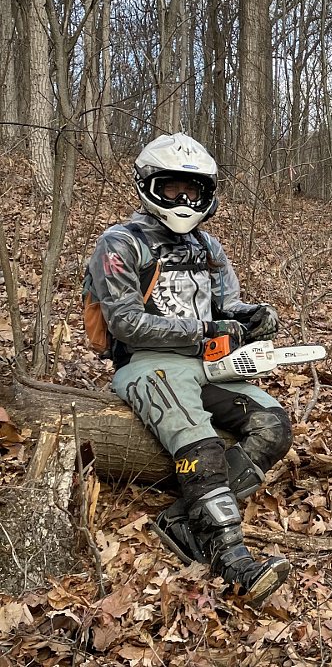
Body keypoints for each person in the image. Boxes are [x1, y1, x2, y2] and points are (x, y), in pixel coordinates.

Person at [86, 132, 292, 605]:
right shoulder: (120, 244)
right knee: (201, 443)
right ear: (150, 185)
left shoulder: (208, 247)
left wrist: (252, 318)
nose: (183, 200)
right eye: (173, 188)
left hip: (209, 363)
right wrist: (205, 330)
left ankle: (184, 518)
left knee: (272, 426)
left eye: (192, 191)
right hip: (147, 364)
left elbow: (228, 303)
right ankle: (230, 553)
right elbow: (126, 322)